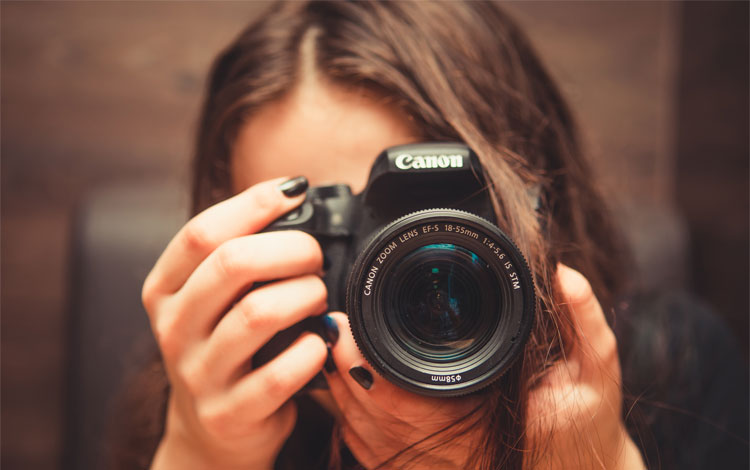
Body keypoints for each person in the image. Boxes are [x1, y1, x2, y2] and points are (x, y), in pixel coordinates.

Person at [112, 2, 747, 470]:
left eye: (433, 224)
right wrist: (197, 454)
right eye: (342, 227)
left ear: (537, 207)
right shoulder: (223, 405)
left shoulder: (677, 368)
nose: (387, 280)